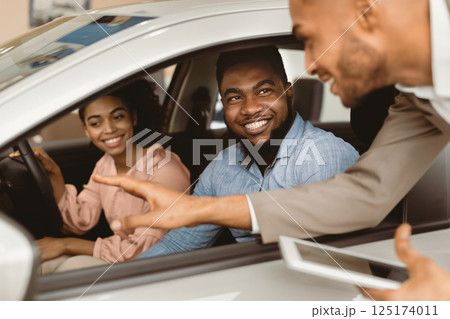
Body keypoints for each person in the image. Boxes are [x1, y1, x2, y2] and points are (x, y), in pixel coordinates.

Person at [94, 0, 450, 299]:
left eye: (311, 40)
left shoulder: (324, 154)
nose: (311, 64)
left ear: (366, 13)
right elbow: (366, 193)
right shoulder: (417, 103)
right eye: (234, 97)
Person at [137, 46, 359, 258]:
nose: (250, 108)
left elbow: (318, 255)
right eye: (235, 97)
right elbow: (180, 244)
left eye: (264, 91)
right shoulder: (222, 167)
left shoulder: (325, 155)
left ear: (288, 93)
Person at [12, 80, 190, 273]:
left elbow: (142, 250)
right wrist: (54, 173)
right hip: (126, 259)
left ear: (133, 118)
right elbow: (80, 220)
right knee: (37, 267)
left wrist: (65, 245)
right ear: (87, 131)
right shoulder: (105, 164)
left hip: (161, 266)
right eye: (96, 123)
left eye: (118, 117)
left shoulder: (165, 171)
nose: (109, 129)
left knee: (70, 266)